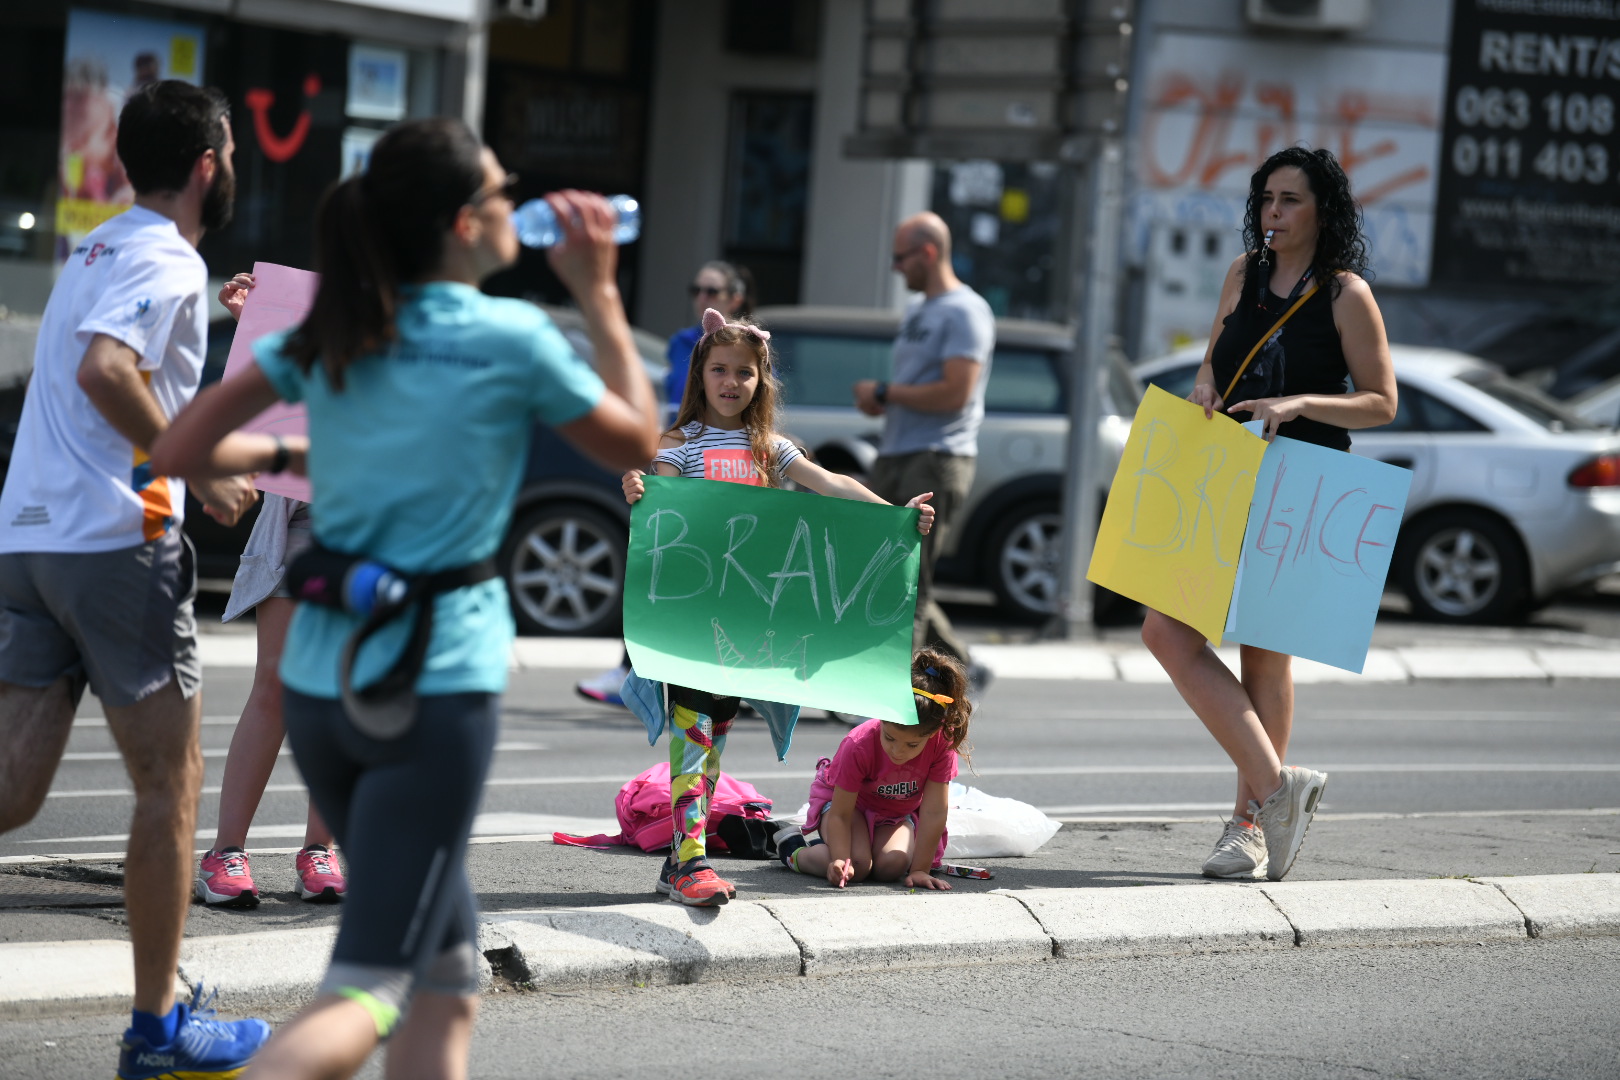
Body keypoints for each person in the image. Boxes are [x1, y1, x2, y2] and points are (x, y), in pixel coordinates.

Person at [151, 117, 660, 1079]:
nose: (521, 206)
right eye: (506, 192)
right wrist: (597, 294)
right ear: (466, 224)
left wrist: (298, 454)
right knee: (369, 988)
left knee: (445, 974)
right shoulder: (509, 335)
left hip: (321, 681)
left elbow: (180, 453)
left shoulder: (333, 330)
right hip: (431, 685)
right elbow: (638, 442)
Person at [0, 80, 271, 1078]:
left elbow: (106, 359)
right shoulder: (168, 259)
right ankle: (158, 1031)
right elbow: (107, 370)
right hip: (116, 544)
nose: (233, 168)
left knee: (12, 790)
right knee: (170, 781)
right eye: (231, 152)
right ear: (208, 165)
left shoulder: (99, 247)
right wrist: (196, 462)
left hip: (29, 536)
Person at [621, 305, 937, 908]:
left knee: (713, 743)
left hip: (746, 625)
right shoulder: (680, 443)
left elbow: (832, 485)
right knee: (694, 736)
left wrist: (894, 514)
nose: (731, 382)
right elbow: (657, 501)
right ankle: (688, 863)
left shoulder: (771, 449)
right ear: (700, 376)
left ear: (761, 381)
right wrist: (638, 487)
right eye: (720, 369)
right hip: (691, 619)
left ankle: (682, 861)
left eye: (744, 372)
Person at [1140, 146, 1397, 882]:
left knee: (1264, 651)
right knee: (1164, 630)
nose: (1272, 214)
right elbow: (1214, 358)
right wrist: (1202, 387)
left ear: (1323, 212)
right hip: (1222, 473)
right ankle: (1280, 789)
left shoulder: (1347, 293)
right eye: (1265, 200)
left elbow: (1382, 401)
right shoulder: (1242, 274)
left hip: (1300, 484)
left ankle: (1249, 825)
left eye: (1288, 200)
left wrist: (1300, 402)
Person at [194, 271, 346, 909]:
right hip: (306, 514)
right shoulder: (329, 303)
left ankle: (321, 849)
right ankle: (226, 851)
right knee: (279, 685)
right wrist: (251, 322)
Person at [574, 258, 752, 707]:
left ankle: (723, 692)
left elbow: (826, 481)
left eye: (712, 292)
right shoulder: (682, 344)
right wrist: (650, 478)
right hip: (678, 462)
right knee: (660, 561)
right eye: (697, 289)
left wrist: (891, 510)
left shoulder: (747, 369)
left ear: (735, 299)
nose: (702, 299)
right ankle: (635, 670)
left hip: (735, 549)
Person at [853, 212, 994, 676]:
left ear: (927, 253)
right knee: (888, 571)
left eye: (900, 257)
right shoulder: (919, 310)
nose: (896, 268)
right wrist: (886, 401)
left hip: (936, 456)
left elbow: (957, 391)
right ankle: (964, 668)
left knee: (906, 581)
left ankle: (894, 690)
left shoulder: (964, 310)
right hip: (898, 452)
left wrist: (887, 393)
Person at [775, 647, 970, 890]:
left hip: (896, 813)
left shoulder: (941, 743)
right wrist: (838, 859)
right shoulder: (859, 744)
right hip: (849, 809)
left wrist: (920, 869)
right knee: (856, 867)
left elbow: (934, 812)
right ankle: (793, 850)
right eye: (889, 738)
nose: (898, 751)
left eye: (911, 744)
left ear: (931, 733)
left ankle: (846, 851)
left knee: (892, 866)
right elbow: (840, 814)